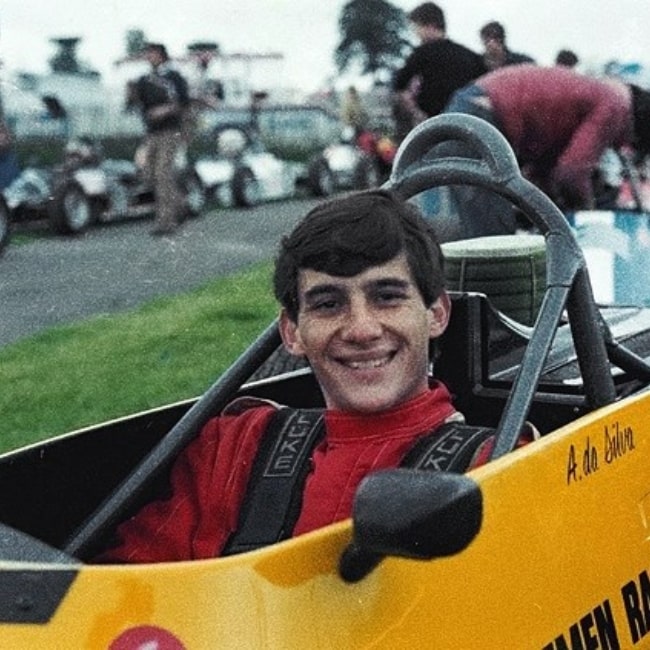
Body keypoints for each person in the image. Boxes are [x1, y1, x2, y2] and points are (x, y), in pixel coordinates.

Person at [96, 189, 511, 564]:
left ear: (435, 314)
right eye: (328, 304)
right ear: (292, 333)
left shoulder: (493, 466)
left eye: (386, 297)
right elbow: (119, 592)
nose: (361, 329)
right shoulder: (234, 446)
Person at [445, 64, 650, 213]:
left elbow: (545, 172)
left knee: (482, 225)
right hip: (482, 114)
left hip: (475, 106)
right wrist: (587, 212)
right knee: (490, 237)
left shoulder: (596, 99)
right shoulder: (614, 106)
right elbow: (571, 173)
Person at [392, 2, 486, 127]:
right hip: (467, 121)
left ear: (430, 26)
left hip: (433, 121)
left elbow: (400, 86)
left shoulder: (422, 53)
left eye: (417, 27)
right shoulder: (469, 55)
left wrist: (416, 113)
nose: (416, 33)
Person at [131, 42, 190, 235]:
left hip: (169, 131)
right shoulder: (144, 80)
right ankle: (181, 204)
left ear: (162, 55)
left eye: (153, 53)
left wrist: (165, 111)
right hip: (152, 132)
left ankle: (166, 222)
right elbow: (139, 105)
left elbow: (183, 103)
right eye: (147, 53)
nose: (149, 56)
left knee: (163, 173)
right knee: (148, 174)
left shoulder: (173, 77)